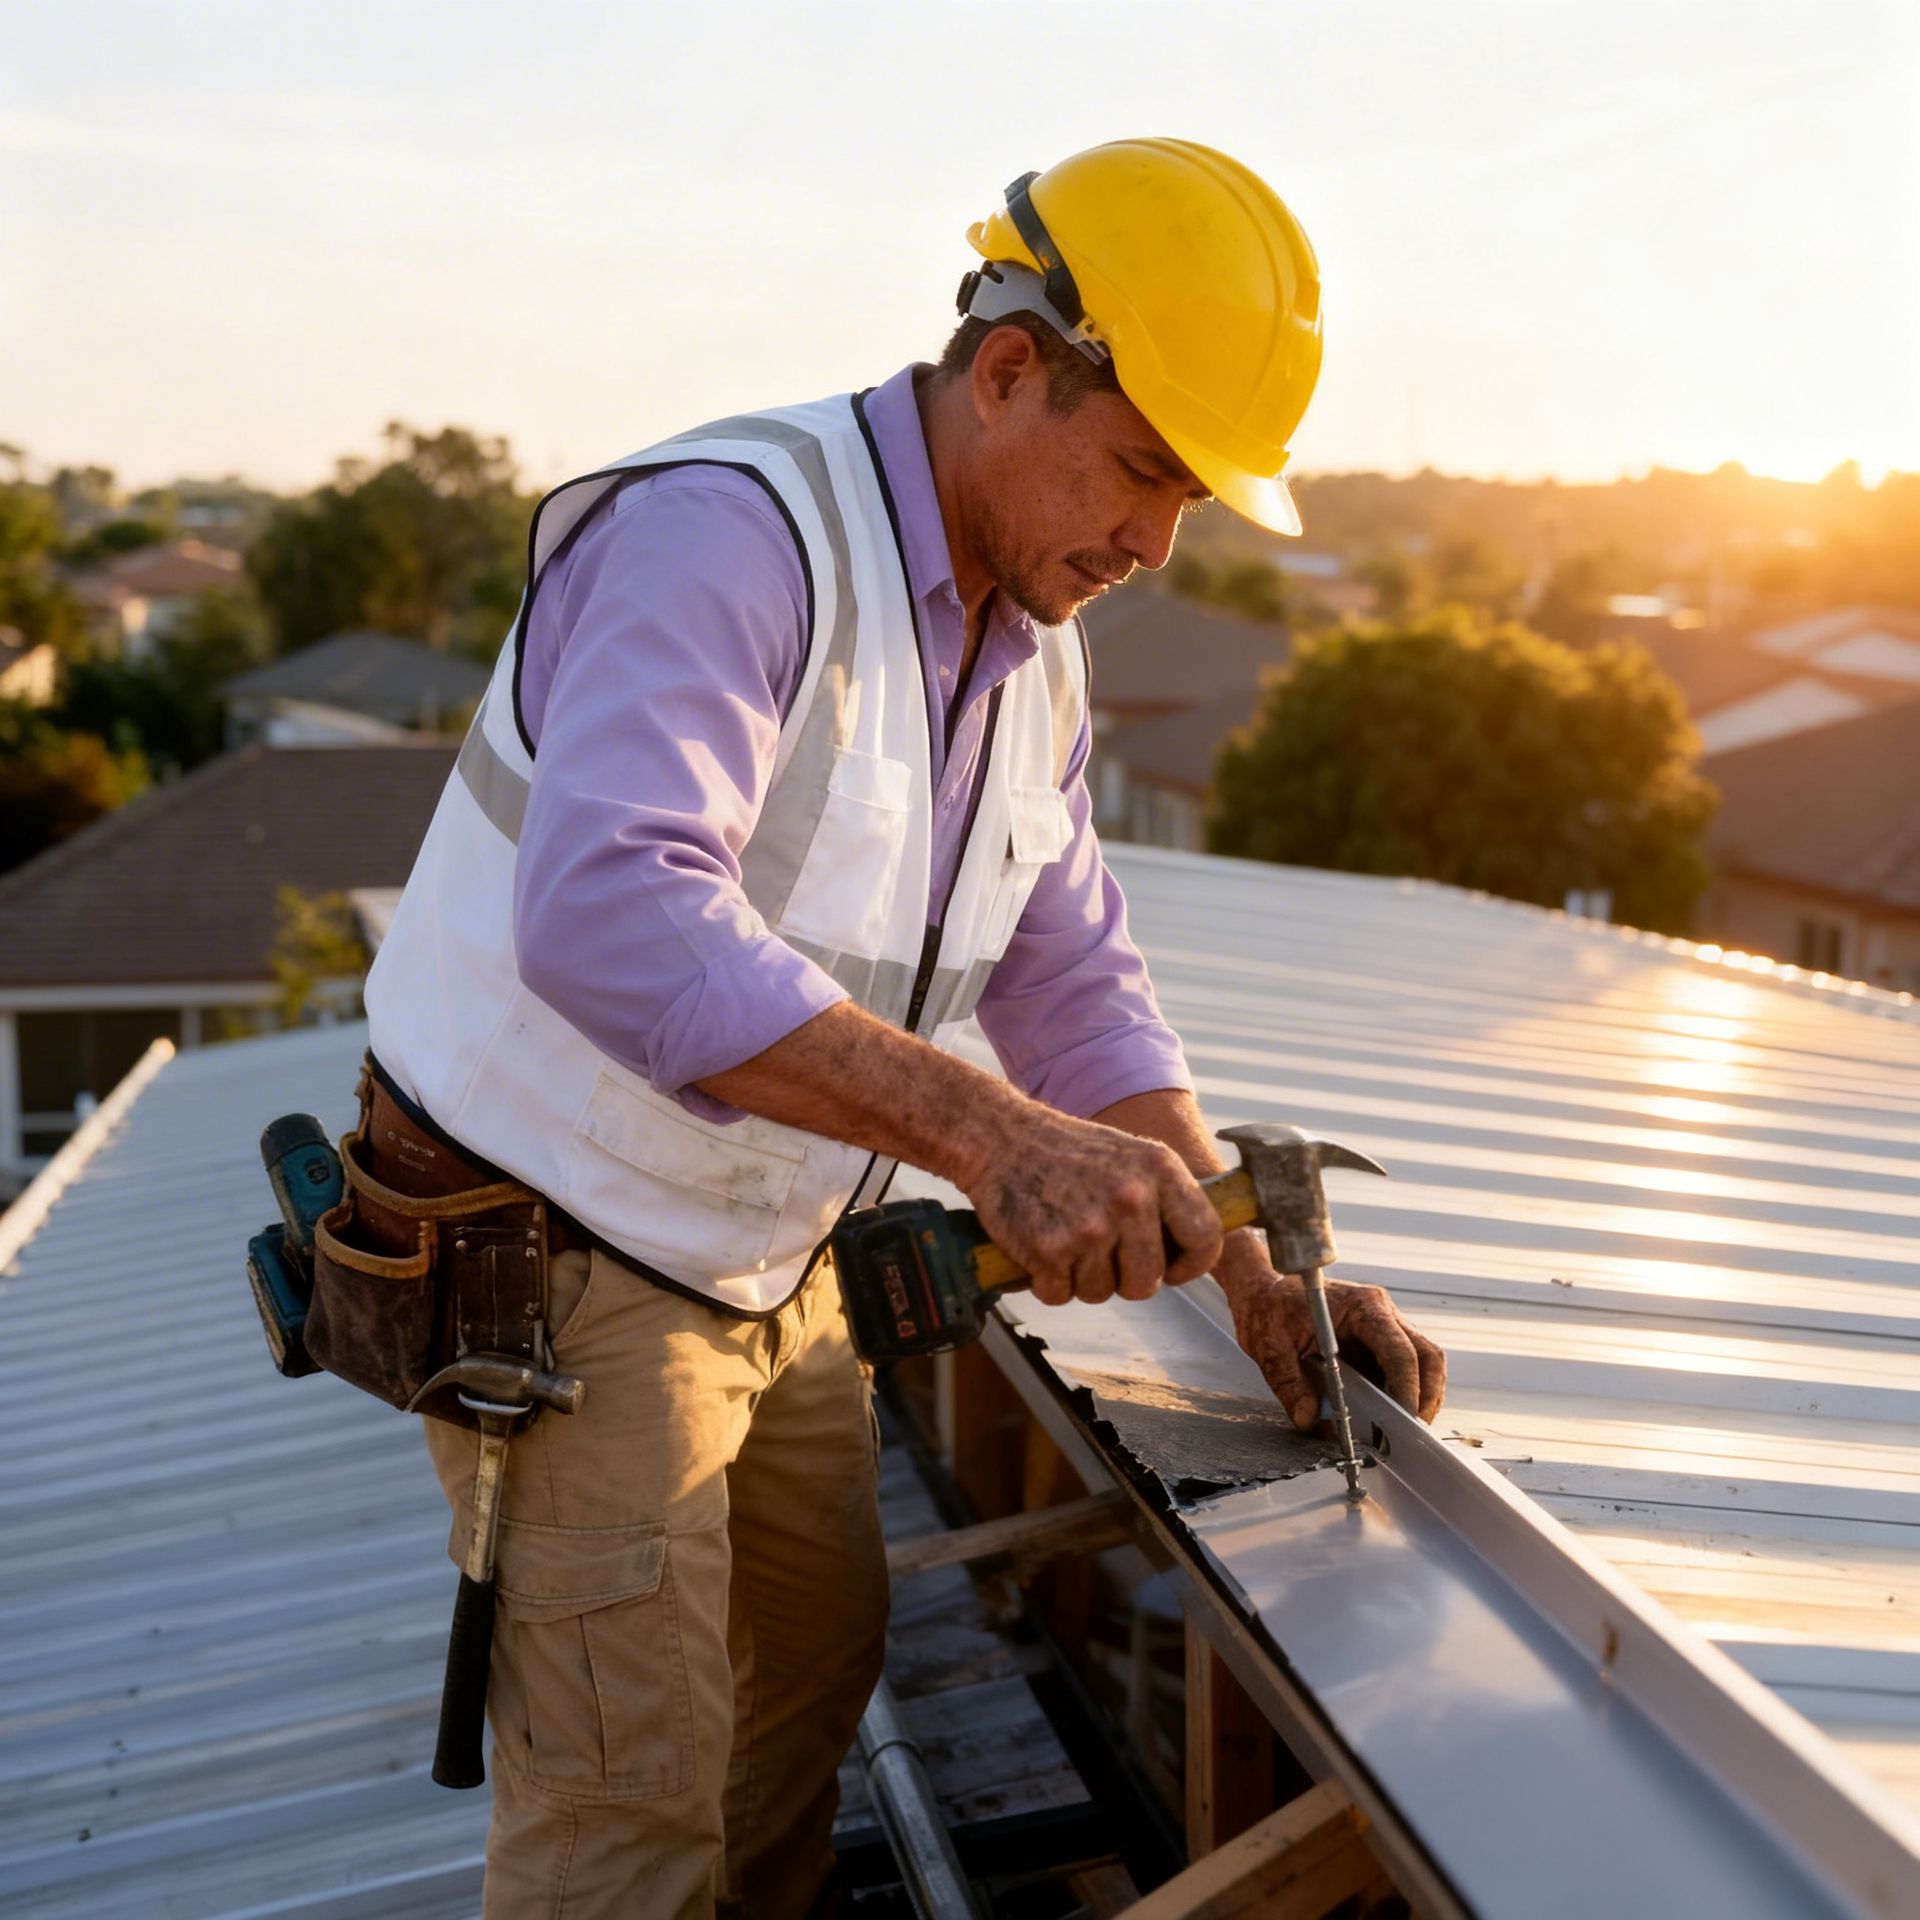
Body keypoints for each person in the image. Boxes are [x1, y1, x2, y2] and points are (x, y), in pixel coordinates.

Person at [358, 137, 1446, 1919]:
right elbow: (613, 908)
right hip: (554, 1246)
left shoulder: (1032, 633)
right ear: (1008, 372)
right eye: (1142, 475)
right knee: (627, 1803)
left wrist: (1248, 1278)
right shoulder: (734, 533)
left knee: (812, 1666)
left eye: (1195, 504)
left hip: (770, 1260)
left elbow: (1069, 973)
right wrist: (998, 1140)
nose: (1157, 545)